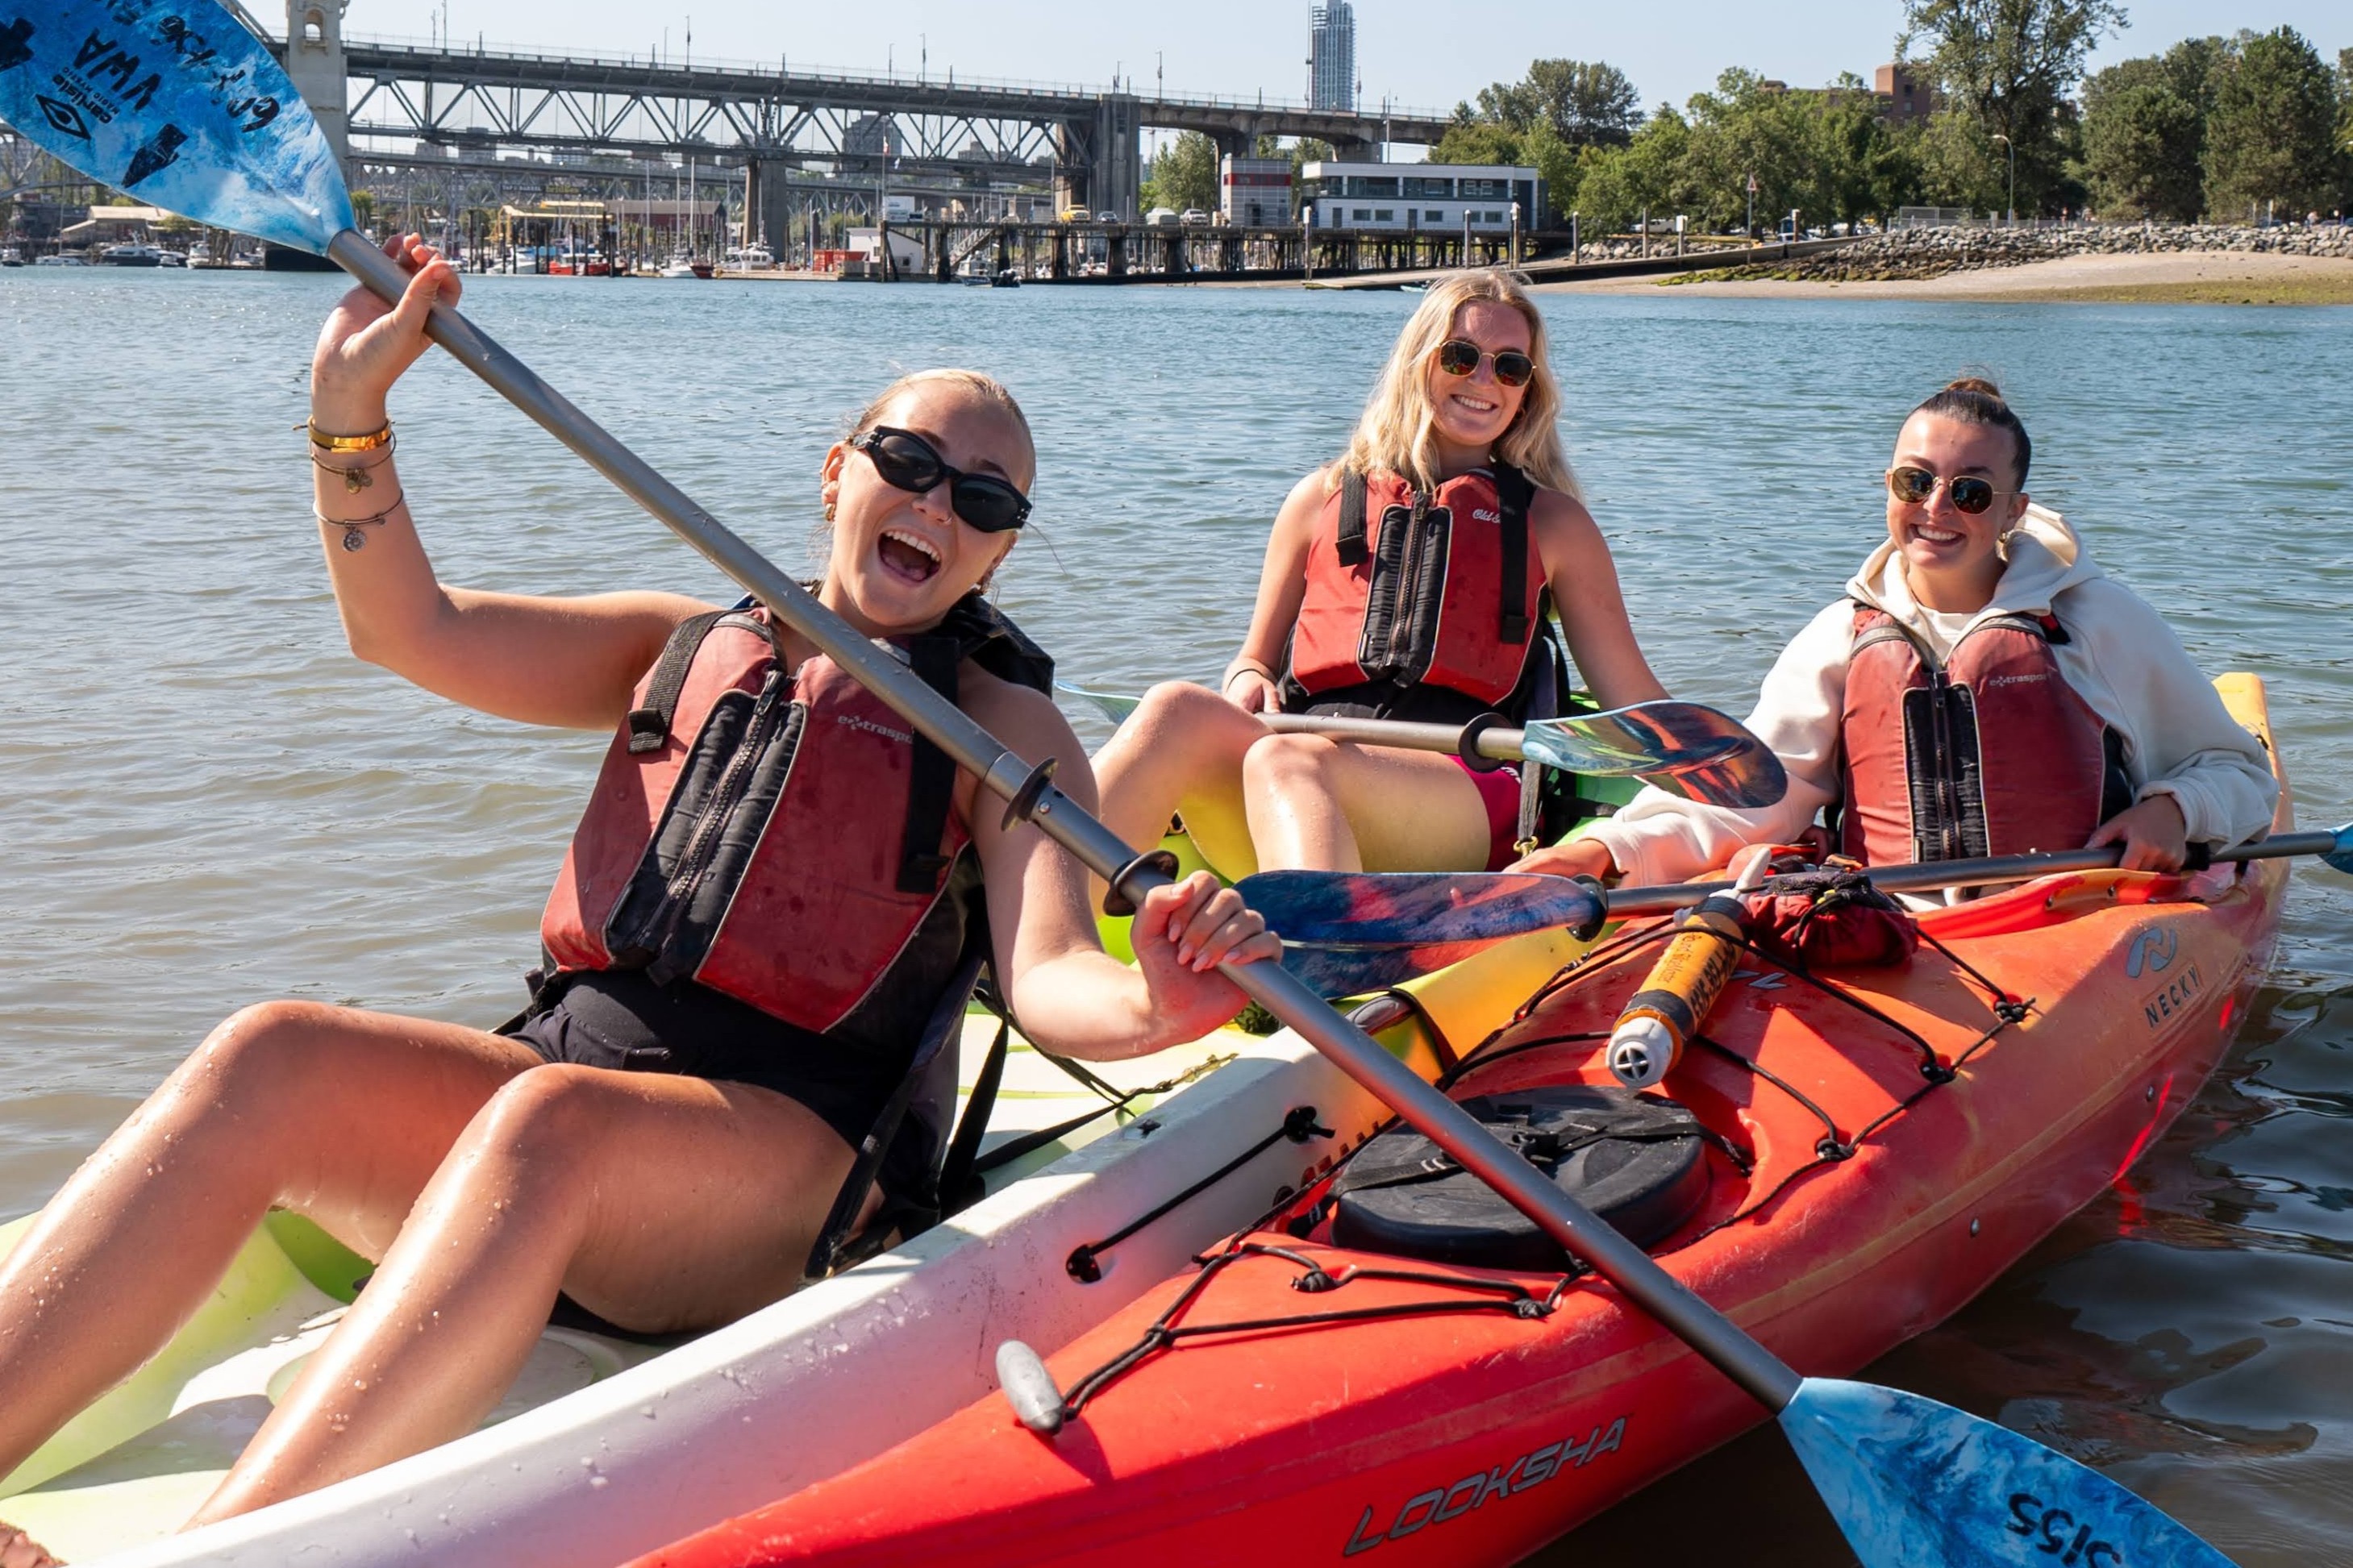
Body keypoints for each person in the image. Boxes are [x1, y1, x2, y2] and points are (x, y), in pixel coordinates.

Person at [0, 235, 1276, 1557]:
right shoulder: (674, 646)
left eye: (984, 503)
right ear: (838, 475)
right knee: (270, 1052)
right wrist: (348, 418)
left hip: (784, 1163)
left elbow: (1054, 971)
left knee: (551, 1123)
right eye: (907, 465)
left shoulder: (1004, 733)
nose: (938, 507)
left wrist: (1156, 1003)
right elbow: (405, 630)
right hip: (560, 1093)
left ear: (997, 557)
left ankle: (224, 1548)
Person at [1520, 377, 2277, 894]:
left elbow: (2243, 777)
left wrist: (2173, 811)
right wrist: (1603, 851)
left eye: (1971, 491)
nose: (1937, 508)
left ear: (2014, 509)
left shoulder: (2095, 621)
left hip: (2072, 916)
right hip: (1887, 921)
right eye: (1914, 482)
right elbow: (1749, 798)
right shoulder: (1841, 637)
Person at [1093, 269, 1669, 879]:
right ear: (1420, 361)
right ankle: (1039, 923)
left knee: (1292, 761)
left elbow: (1634, 705)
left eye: (1510, 367)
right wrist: (1247, 679)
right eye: (1462, 356)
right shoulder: (1320, 497)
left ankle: (1315, 960)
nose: (1483, 381)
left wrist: (1749, 789)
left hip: (1462, 788)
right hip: (1298, 766)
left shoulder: (1554, 524)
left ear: (1528, 391)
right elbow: (1253, 660)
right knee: (1173, 707)